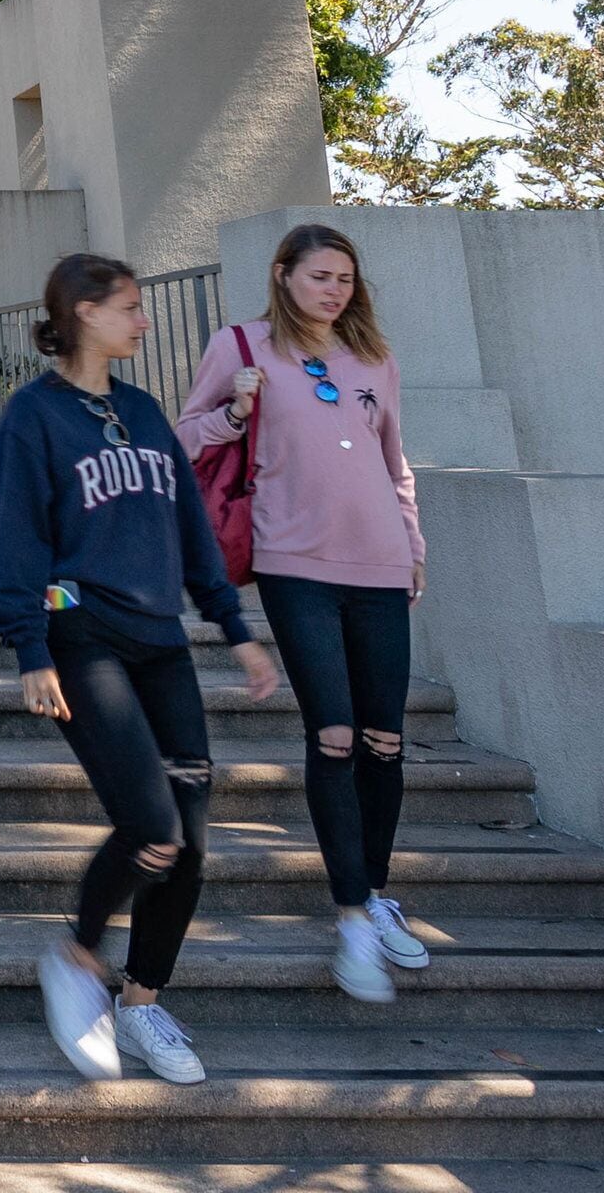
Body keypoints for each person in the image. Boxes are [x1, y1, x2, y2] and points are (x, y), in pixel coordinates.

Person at [0, 252, 281, 1086]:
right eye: (129, 307)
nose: (143, 321)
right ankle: (77, 959)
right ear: (83, 311)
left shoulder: (146, 413)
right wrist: (29, 647)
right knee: (151, 824)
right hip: (82, 638)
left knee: (188, 842)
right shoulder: (33, 417)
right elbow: (14, 537)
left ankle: (143, 1002)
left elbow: (192, 530)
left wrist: (235, 627)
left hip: (161, 641)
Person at [175, 222, 427, 1005]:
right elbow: (182, 437)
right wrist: (233, 417)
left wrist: (413, 541)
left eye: (345, 279)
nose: (334, 291)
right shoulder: (242, 347)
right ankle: (350, 913)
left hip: (381, 565)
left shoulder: (374, 361)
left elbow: (396, 464)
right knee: (336, 733)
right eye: (320, 276)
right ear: (283, 275)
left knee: (385, 740)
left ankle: (376, 894)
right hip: (294, 564)